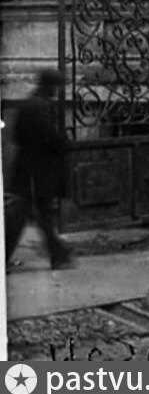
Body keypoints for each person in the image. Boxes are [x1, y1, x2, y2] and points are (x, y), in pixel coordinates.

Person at [5, 68, 73, 271]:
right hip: (39, 172)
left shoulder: (26, 104)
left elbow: (16, 136)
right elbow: (50, 138)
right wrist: (63, 143)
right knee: (40, 215)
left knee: (23, 216)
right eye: (56, 87)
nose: (57, 91)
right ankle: (59, 256)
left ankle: (57, 255)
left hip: (25, 169)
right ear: (49, 86)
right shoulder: (41, 107)